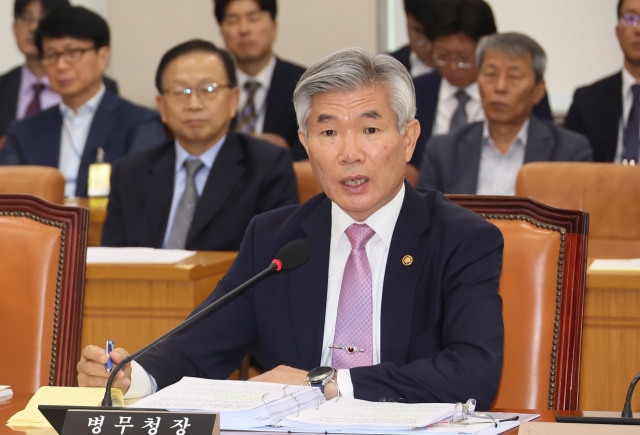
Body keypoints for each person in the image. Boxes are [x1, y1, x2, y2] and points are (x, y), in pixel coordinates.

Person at [78, 48, 504, 408]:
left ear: (408, 139)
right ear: (305, 142)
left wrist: (325, 385)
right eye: (329, 132)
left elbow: (474, 372)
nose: (349, 153)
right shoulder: (276, 239)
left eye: (371, 130)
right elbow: (197, 349)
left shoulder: (461, 238)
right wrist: (132, 376)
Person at [101, 40, 298, 250]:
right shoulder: (130, 172)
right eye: (181, 92)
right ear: (162, 107)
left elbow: (274, 257)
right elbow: (113, 259)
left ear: (233, 100)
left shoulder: (267, 165)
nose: (194, 104)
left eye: (208, 89)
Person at [0, 6, 165, 197]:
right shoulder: (23, 131)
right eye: (52, 55)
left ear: (103, 57)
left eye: (73, 52)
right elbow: (8, 196)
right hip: (41, 227)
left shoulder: (140, 124)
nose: (61, 65)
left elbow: (142, 195)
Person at [418, 33, 593, 194]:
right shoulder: (443, 151)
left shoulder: (569, 152)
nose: (500, 87)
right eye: (491, 74)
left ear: (538, 91)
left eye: (514, 77)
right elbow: (425, 220)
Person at [409, 0, 553, 179]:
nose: (453, 66)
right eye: (443, 56)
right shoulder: (414, 92)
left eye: (464, 58)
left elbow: (546, 150)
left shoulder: (522, 95)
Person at [0, 0, 118, 138]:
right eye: (26, 18)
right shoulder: (3, 86)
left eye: (44, 18)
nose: (34, 27)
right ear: (14, 28)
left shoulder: (99, 86)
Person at [212, 0, 307, 160]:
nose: (244, 29)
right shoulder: (211, 88)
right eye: (232, 20)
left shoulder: (304, 84)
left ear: (274, 27)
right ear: (222, 32)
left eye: (253, 18)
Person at [564, 0, 640, 163]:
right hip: (601, 189)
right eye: (631, 18)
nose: (638, 29)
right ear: (618, 31)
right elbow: (567, 167)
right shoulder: (587, 100)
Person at [388, 0, 464, 77]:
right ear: (405, 11)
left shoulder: (484, 73)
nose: (430, 47)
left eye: (438, 33)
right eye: (420, 33)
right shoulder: (381, 72)